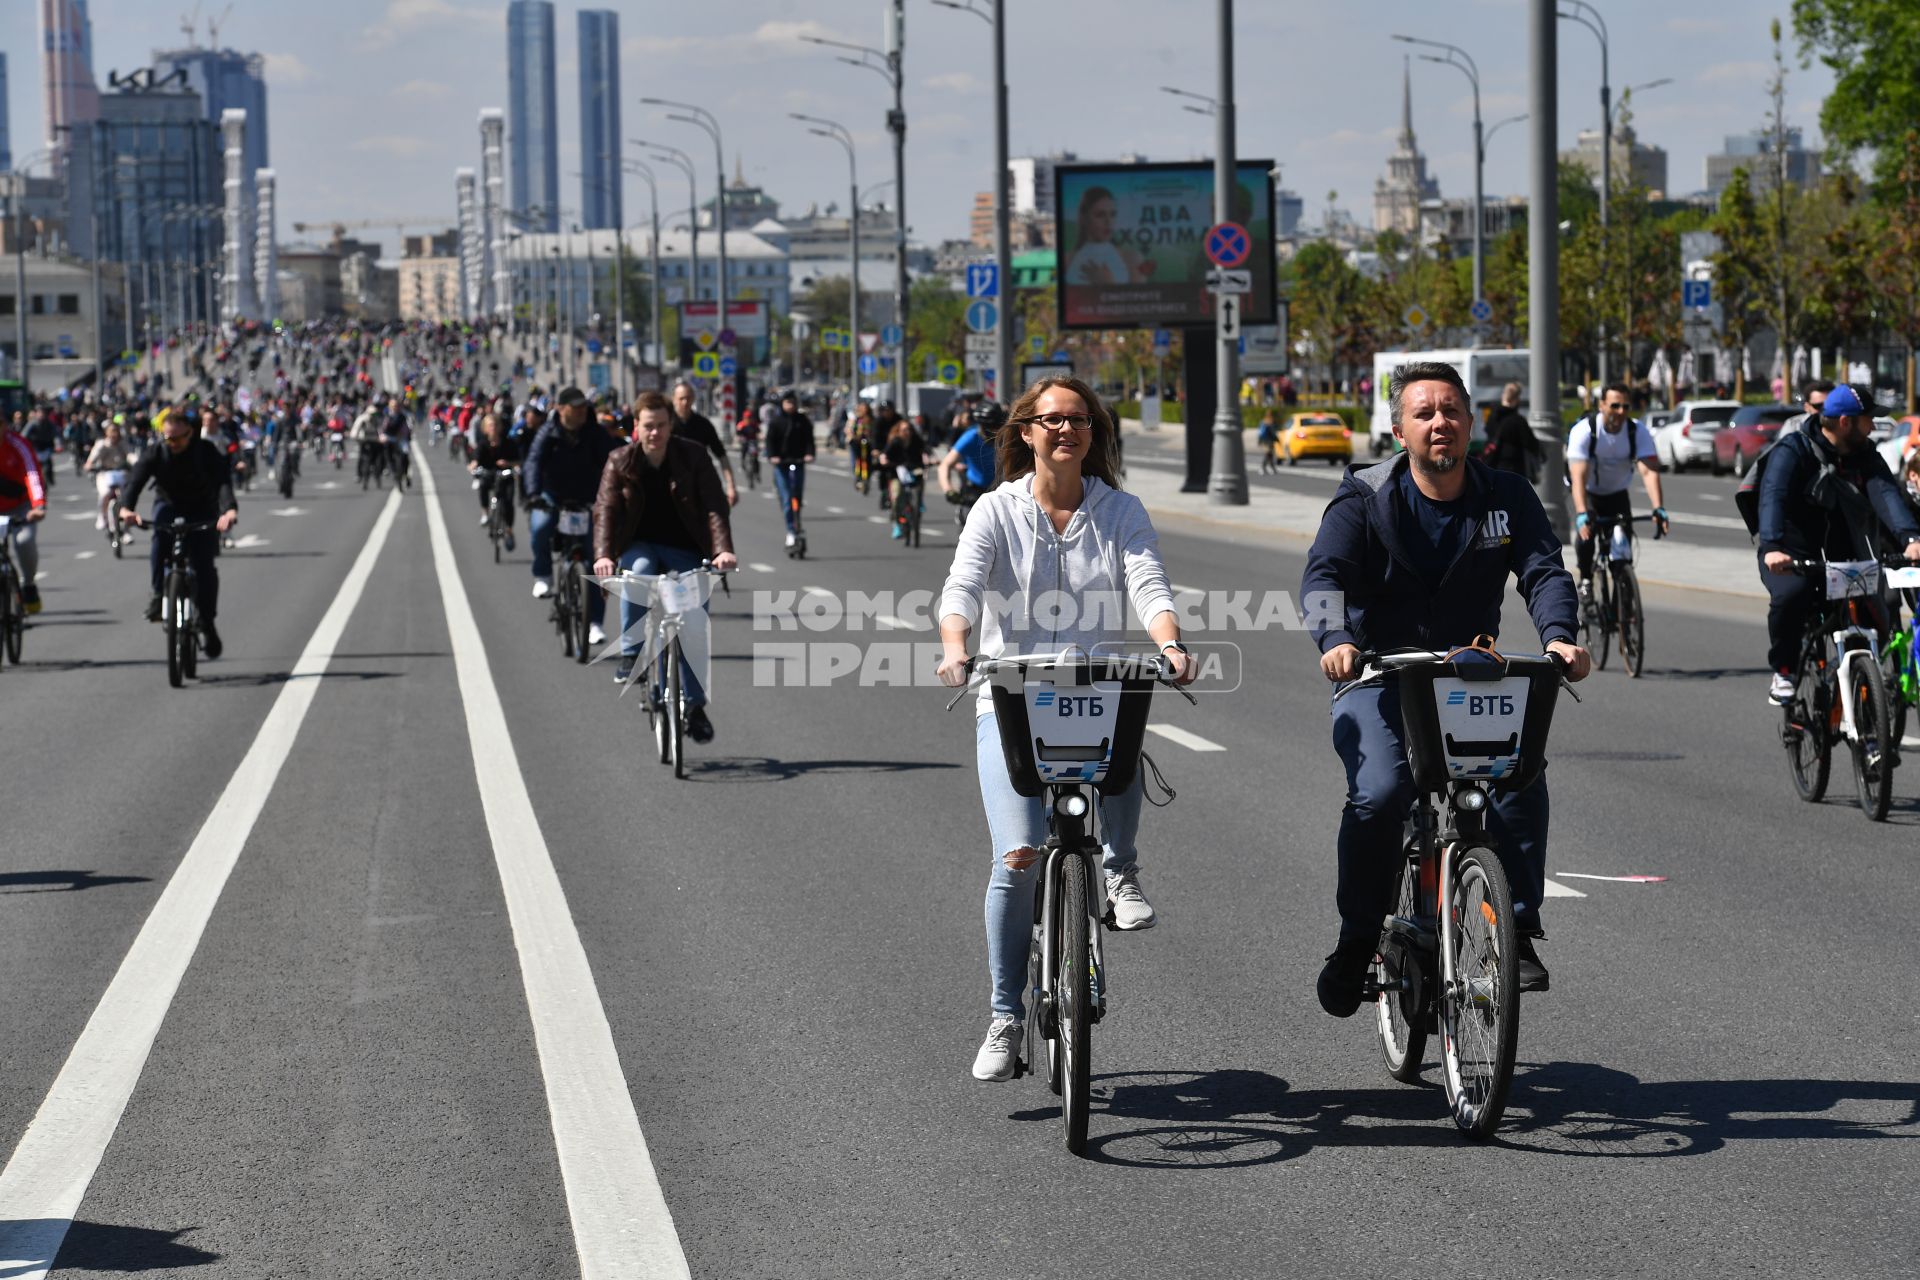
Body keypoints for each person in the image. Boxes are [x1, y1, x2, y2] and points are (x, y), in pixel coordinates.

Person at [1302, 361, 1591, 1016]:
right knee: (1380, 794)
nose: (1440, 422)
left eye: (1451, 410)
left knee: (1517, 771)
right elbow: (1323, 577)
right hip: (1375, 670)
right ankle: (1356, 940)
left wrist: (1560, 637)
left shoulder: (1507, 496)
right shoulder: (1364, 497)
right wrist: (1337, 640)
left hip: (1466, 673)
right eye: (1424, 412)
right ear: (1400, 429)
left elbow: (1545, 570)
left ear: (1471, 421)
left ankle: (1518, 926)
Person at [936, 375, 1196, 1082]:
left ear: (1092, 434)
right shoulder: (995, 511)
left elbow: (1148, 581)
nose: (1065, 430)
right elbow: (961, 586)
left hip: (1093, 690)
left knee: (1126, 741)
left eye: (1079, 419)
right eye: (1051, 419)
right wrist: (958, 646)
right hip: (1012, 695)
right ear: (1026, 432)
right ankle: (1005, 1016)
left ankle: (1120, 874)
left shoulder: (1119, 510)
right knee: (1017, 852)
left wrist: (1169, 643)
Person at [1756, 383, 1920, 705]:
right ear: (1845, 422)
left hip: (1842, 552)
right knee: (1792, 596)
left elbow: (1886, 494)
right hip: (1792, 553)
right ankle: (1785, 670)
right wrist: (1773, 546)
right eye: (1868, 419)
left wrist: (1911, 538)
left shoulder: (1864, 455)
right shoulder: (1793, 451)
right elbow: (1772, 496)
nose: (1873, 426)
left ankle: (1867, 697)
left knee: (1876, 615)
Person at [591, 390, 738, 740]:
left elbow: (715, 506)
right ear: (636, 428)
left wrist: (723, 550)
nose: (654, 433)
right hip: (639, 543)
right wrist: (603, 554)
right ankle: (631, 655)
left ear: (671, 426)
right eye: (648, 426)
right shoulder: (619, 460)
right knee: (638, 573)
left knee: (691, 622)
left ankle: (696, 707)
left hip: (684, 547)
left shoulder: (694, 456)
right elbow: (605, 511)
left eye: (660, 425)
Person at [119, 409, 241, 657]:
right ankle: (157, 595)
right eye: (167, 438)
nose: (172, 444)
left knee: (204, 567)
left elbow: (222, 482)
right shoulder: (157, 451)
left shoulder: (205, 451)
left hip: (202, 509)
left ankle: (207, 621)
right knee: (158, 544)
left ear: (190, 433)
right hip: (169, 505)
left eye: (178, 438)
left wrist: (228, 511)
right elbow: (135, 481)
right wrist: (126, 509)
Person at [523, 385, 617, 643]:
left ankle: (595, 623)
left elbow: (612, 462)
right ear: (562, 409)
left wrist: (617, 495)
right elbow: (533, 462)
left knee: (597, 562)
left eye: (584, 407)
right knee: (540, 528)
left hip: (589, 501)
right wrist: (533, 495)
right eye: (576, 408)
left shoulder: (595, 433)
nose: (582, 412)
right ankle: (543, 575)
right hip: (554, 498)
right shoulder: (548, 433)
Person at [1567, 382, 1668, 595]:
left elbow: (1648, 471)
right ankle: (1585, 579)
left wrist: (1658, 507)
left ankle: (1623, 602)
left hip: (1618, 496)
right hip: (1590, 495)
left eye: (1625, 407)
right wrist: (1582, 513)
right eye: (1615, 406)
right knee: (1586, 537)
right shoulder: (1585, 431)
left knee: (1622, 555)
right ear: (1602, 405)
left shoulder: (1636, 430)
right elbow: (1578, 477)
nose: (1621, 412)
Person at [0, 418, 49, 613]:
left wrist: (38, 505)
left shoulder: (18, 444)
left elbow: (33, 474)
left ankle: (28, 584)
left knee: (24, 541)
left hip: (22, 506)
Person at [669, 380, 739, 508]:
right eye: (681, 398)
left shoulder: (703, 425)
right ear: (673, 399)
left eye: (688, 398)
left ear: (693, 399)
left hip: (699, 483)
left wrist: (731, 486)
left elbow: (721, 455)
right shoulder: (666, 424)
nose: (685, 402)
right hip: (671, 484)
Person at [765, 389, 815, 548]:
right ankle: (790, 531)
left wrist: (809, 454)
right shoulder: (776, 421)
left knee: (797, 496)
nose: (791, 405)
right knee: (787, 498)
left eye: (793, 402)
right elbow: (770, 441)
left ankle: (797, 522)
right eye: (788, 402)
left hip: (798, 462)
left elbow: (809, 440)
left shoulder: (802, 420)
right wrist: (773, 456)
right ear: (782, 403)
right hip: (782, 465)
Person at [938, 399, 1002, 522]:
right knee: (972, 524)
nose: (994, 432)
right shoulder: (971, 436)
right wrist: (948, 490)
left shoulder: (1005, 436)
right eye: (989, 428)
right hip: (975, 489)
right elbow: (945, 465)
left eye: (997, 426)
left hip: (999, 489)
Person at [467, 412, 520, 552]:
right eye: (490, 425)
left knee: (508, 502)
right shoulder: (483, 444)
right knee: (483, 485)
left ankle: (509, 531)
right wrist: (473, 466)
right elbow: (475, 459)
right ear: (485, 428)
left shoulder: (509, 443)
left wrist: (508, 463)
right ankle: (485, 513)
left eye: (496, 425)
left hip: (506, 476)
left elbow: (518, 461)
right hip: (489, 476)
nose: (493, 428)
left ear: (500, 427)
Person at [85, 421, 137, 532]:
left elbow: (130, 455)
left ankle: (127, 530)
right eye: (111, 431)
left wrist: (136, 463)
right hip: (105, 474)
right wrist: (89, 465)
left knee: (126, 498)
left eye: (116, 431)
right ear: (106, 433)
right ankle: (102, 516)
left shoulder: (123, 444)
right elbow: (92, 459)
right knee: (105, 494)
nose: (114, 434)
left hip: (121, 474)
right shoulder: (102, 444)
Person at [1481, 382, 1539, 478]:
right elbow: (1531, 443)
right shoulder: (1518, 420)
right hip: (1513, 468)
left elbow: (1488, 431)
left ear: (1503, 396)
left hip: (1492, 465)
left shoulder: (1493, 416)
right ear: (1517, 399)